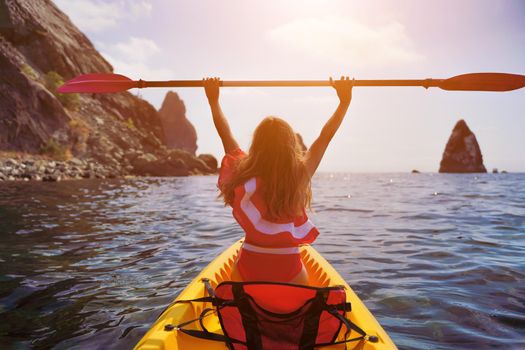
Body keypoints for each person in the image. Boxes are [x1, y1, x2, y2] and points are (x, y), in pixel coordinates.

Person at [204, 76, 353, 284]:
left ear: (257, 144)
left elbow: (224, 133)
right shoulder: (299, 175)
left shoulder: (243, 171)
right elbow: (325, 137)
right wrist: (344, 102)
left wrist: (213, 100)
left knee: (245, 302)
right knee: (296, 305)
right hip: (289, 270)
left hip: (248, 266)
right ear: (290, 145)